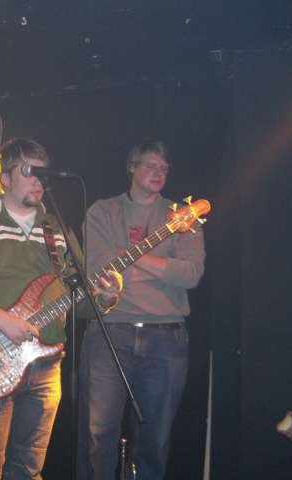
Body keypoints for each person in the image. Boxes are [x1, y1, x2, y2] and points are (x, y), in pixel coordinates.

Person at [0, 137, 122, 479]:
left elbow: (79, 301)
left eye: (43, 172)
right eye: (28, 171)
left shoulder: (57, 228)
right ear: (4, 178)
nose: (39, 179)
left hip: (46, 364)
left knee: (29, 469)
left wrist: (106, 298)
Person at [77, 140, 206, 479]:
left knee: (155, 439)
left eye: (164, 168)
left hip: (166, 337)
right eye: (150, 165)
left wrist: (130, 258)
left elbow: (191, 274)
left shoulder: (183, 215)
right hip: (109, 334)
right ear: (132, 168)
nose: (158, 172)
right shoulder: (103, 211)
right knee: (97, 436)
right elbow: (98, 266)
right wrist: (163, 267)